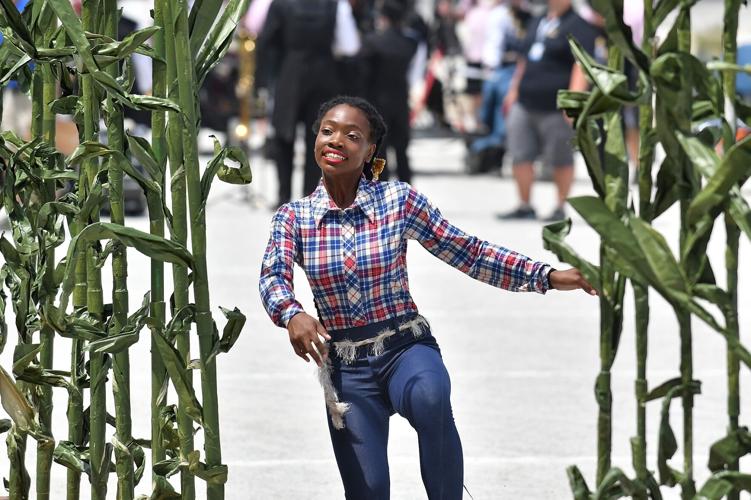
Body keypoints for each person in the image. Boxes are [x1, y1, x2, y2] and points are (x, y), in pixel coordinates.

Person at [259, 95, 597, 499]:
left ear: (370, 151)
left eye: (352, 135)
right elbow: (272, 277)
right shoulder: (293, 218)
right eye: (327, 131)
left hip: (406, 348)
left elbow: (468, 252)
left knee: (431, 395)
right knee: (368, 491)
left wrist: (549, 275)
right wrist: (291, 313)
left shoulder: (398, 201)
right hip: (348, 370)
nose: (336, 141)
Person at [500, 0, 599, 221]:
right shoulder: (539, 20)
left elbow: (581, 64)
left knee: (560, 157)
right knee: (520, 154)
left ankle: (560, 206)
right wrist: (513, 90)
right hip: (526, 100)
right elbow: (524, 59)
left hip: (555, 105)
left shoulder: (579, 25)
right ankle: (524, 204)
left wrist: (573, 100)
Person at [256, 0, 360, 208]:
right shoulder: (336, 5)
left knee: (284, 136)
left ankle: (283, 195)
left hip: (289, 74)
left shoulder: (280, 4)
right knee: (321, 138)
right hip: (324, 75)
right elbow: (349, 46)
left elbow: (265, 42)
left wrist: (262, 81)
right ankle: (310, 195)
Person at [358, 0, 418, 183]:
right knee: (402, 151)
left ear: (383, 17)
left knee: (378, 154)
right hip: (401, 100)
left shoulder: (373, 43)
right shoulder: (410, 43)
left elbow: (362, 75)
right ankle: (406, 193)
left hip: (377, 102)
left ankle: (380, 192)